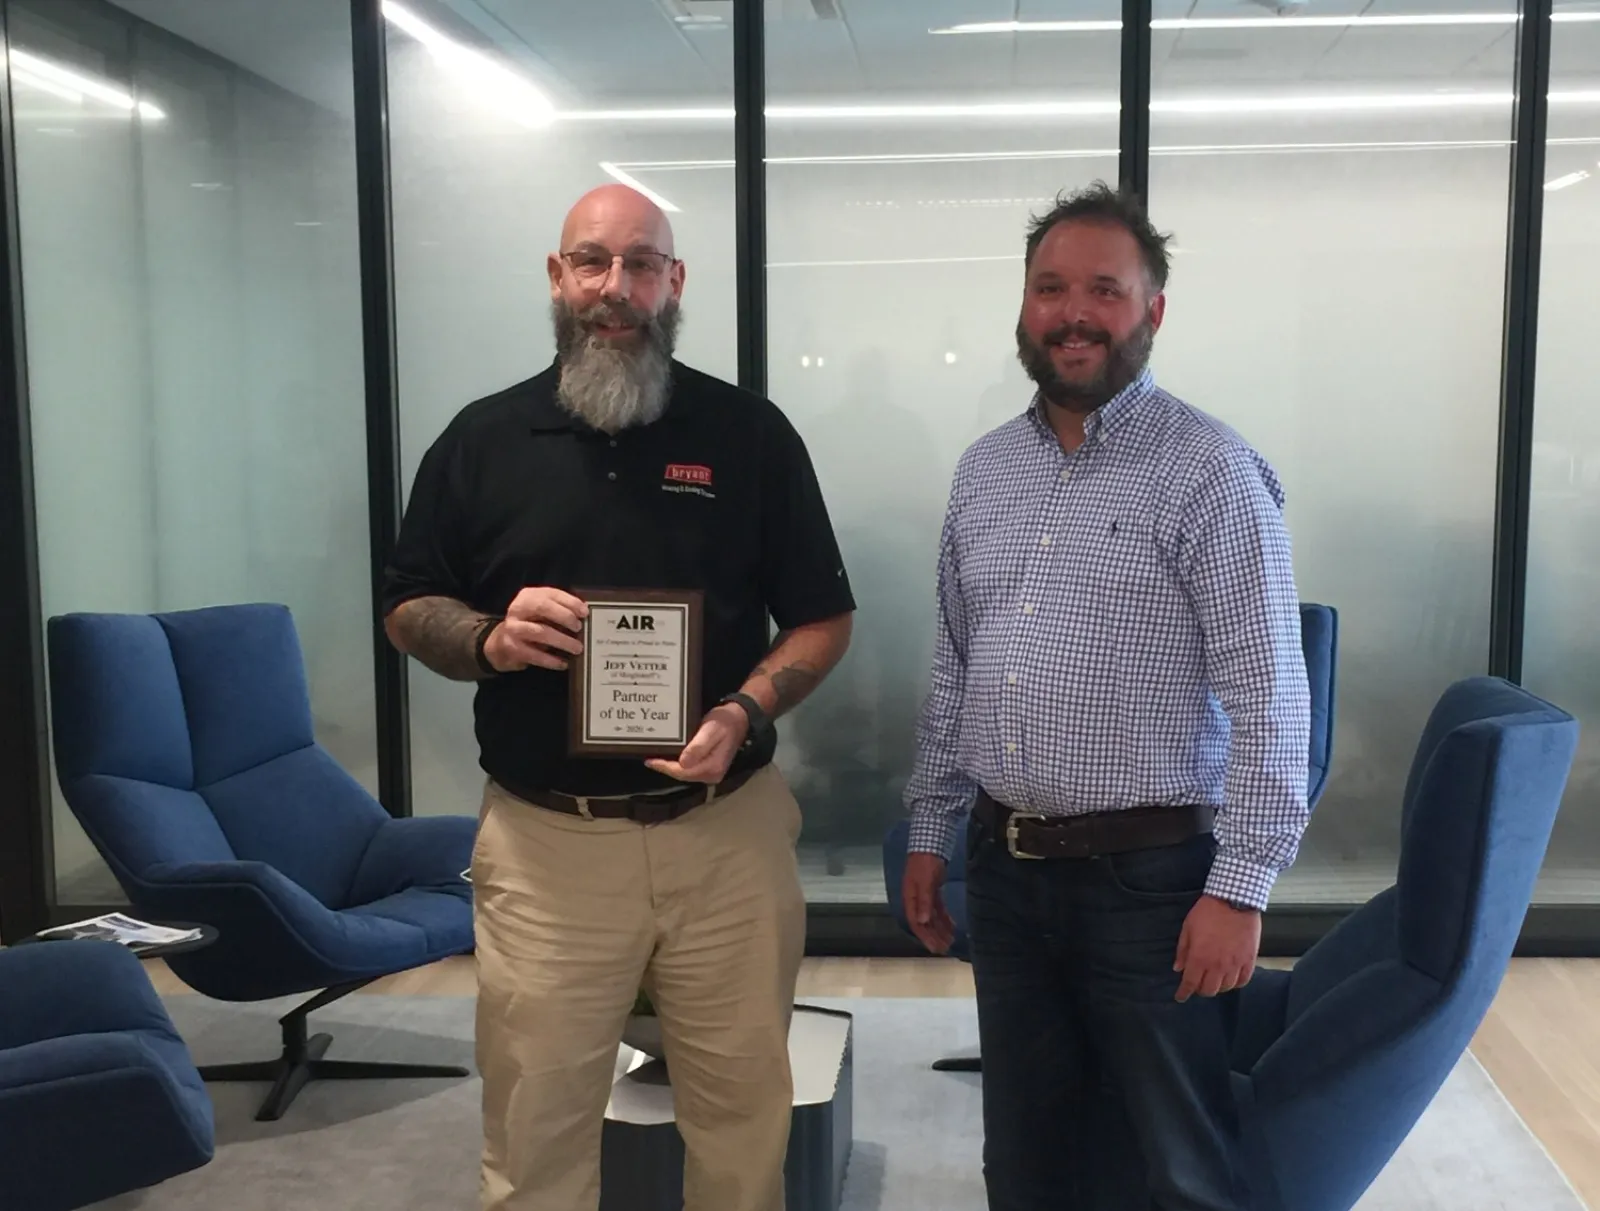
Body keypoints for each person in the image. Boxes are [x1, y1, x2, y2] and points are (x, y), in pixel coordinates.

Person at [382, 183, 855, 1211]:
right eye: (592, 261)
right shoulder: (480, 440)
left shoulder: (748, 434)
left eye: (642, 263)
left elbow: (823, 618)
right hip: (547, 852)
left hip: (725, 837)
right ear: (557, 277)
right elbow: (407, 604)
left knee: (742, 1132)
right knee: (533, 1141)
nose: (616, 288)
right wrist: (489, 638)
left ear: (674, 281)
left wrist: (746, 710)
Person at [900, 181, 1311, 1211]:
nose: (1072, 312)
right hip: (1004, 868)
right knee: (1026, 1153)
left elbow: (1270, 692)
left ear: (1152, 311)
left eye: (1103, 289)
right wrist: (929, 825)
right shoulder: (983, 471)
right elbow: (954, 663)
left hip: (1154, 884)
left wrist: (1240, 885)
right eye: (1049, 287)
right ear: (1023, 306)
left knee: (1172, 1163)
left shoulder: (1208, 470)